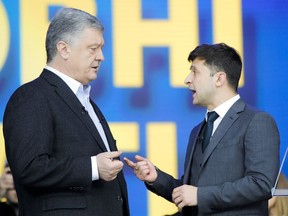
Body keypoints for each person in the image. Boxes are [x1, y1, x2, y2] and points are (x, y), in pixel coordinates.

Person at [124, 43, 280, 215]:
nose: (187, 79)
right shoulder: (198, 130)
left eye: (195, 72)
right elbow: (189, 193)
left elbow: (261, 184)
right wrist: (156, 178)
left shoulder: (256, 121)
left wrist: (200, 195)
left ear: (219, 79)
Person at [3, 7, 129, 216]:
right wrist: (93, 168)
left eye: (101, 48)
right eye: (93, 48)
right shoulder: (32, 97)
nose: (101, 57)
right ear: (64, 49)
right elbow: (30, 168)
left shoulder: (87, 101)